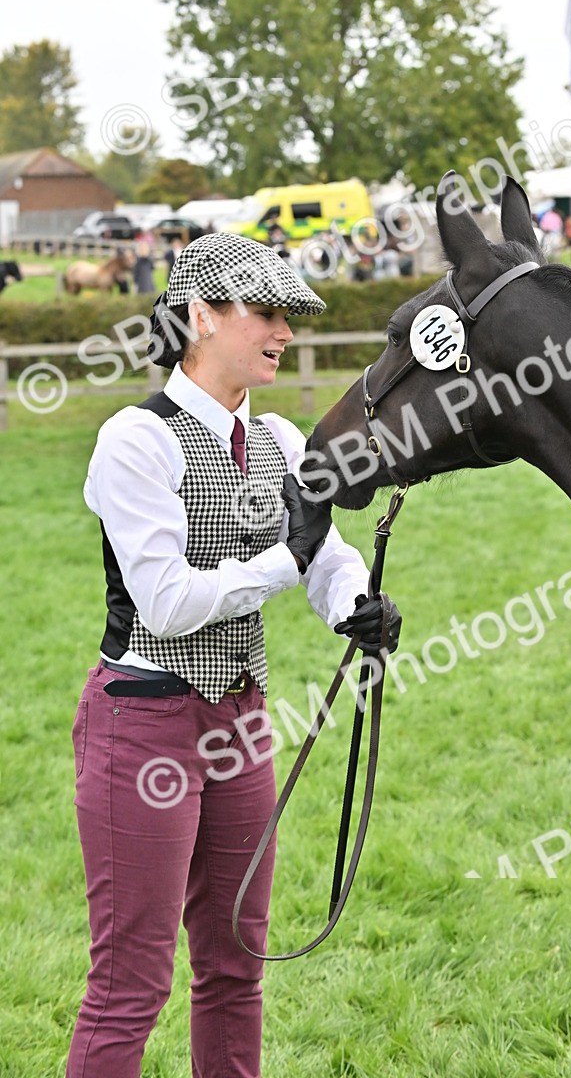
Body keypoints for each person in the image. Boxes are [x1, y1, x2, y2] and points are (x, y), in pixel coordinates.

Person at [67, 233, 401, 1078]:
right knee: (132, 980)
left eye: (288, 316)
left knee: (235, 966)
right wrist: (287, 563)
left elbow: (324, 552)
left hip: (242, 724)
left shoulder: (283, 439)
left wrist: (353, 603)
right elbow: (168, 602)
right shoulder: (135, 440)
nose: (283, 332)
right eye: (266, 312)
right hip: (143, 725)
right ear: (201, 315)